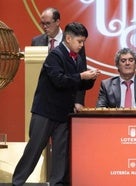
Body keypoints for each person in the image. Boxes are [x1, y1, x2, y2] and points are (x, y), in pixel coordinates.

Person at [12, 22, 100, 186]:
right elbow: (59, 80)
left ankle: (57, 183)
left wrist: (91, 79)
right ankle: (17, 182)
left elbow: (79, 85)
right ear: (68, 38)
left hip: (63, 112)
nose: (82, 45)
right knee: (35, 149)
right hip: (45, 111)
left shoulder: (78, 57)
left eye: (83, 42)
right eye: (79, 41)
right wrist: (82, 76)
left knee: (60, 152)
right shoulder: (55, 55)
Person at [32, 7, 86, 112]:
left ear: (57, 21)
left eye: (48, 23)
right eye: (42, 23)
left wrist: (79, 101)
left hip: (66, 98)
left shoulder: (74, 41)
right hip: (44, 100)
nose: (44, 27)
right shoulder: (36, 41)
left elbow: (81, 71)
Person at [96, 48, 136, 114]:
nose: (127, 63)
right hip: (116, 120)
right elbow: (100, 107)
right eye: (123, 60)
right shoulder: (106, 85)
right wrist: (103, 111)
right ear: (117, 65)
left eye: (131, 60)